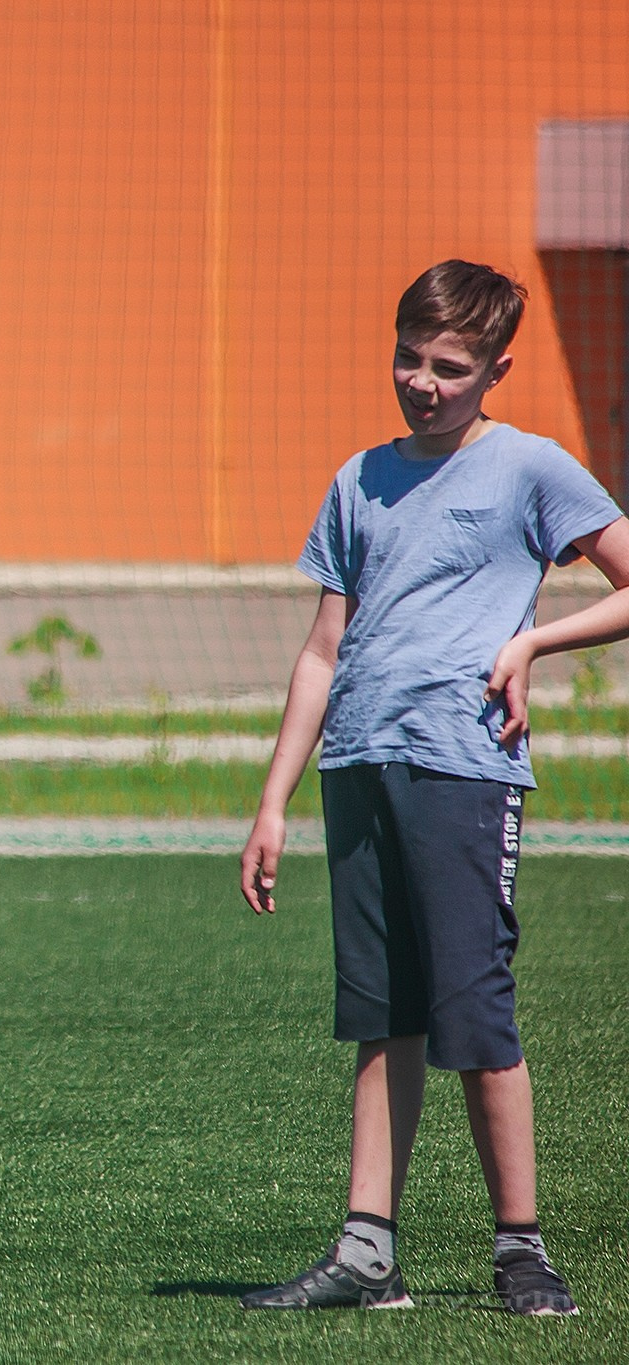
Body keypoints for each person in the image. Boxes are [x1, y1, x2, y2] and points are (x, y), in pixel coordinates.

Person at [237, 260, 629, 1316]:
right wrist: (272, 801)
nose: (419, 381)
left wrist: (532, 642)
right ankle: (366, 1255)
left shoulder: (529, 470)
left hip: (461, 769)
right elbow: (323, 650)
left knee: (472, 1011)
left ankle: (519, 1250)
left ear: (494, 370)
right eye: (407, 358)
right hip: (356, 768)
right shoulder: (357, 478)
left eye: (446, 368)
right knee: (383, 1015)